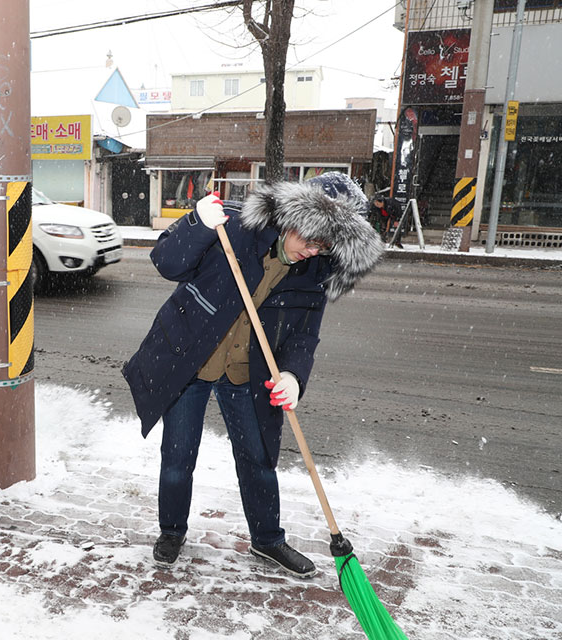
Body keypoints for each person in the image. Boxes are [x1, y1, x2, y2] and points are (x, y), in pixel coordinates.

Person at [122, 173, 383, 577]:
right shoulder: (235, 227)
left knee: (258, 458)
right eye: (310, 240)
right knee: (177, 457)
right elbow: (167, 262)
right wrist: (197, 223)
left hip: (247, 371)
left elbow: (304, 335)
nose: (312, 252)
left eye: (323, 247)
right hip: (190, 357)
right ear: (292, 220)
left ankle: (267, 540)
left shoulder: (313, 273)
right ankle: (172, 531)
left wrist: (294, 375)